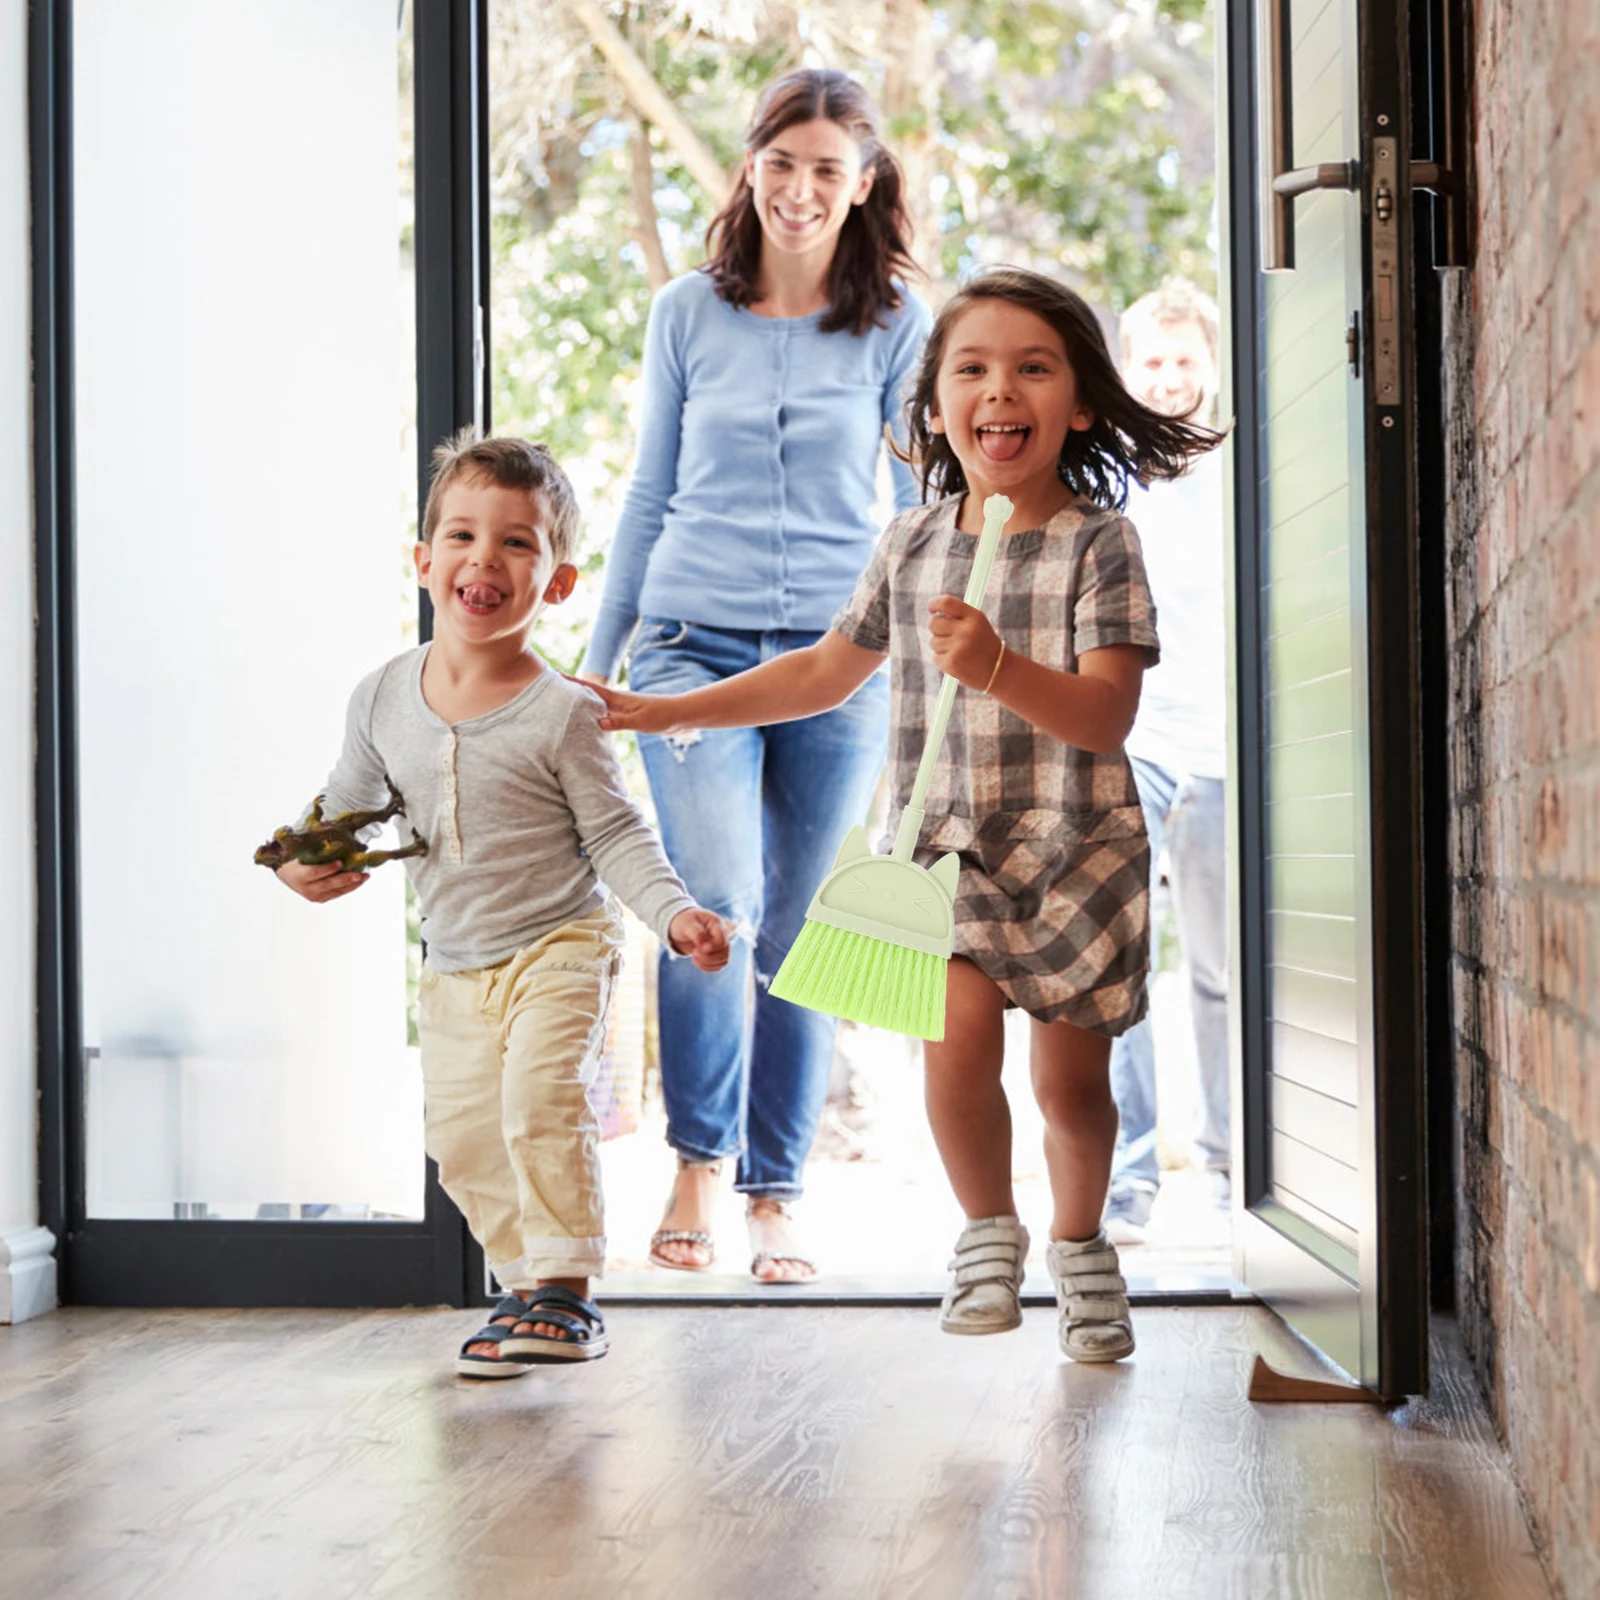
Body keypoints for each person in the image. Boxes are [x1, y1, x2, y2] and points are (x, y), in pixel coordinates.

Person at [591, 267, 1222, 1361]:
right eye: (970, 369)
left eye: (1032, 367)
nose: (999, 390)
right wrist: (666, 704)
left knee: (1070, 1086)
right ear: (933, 407)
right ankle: (987, 1232)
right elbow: (824, 673)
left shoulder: (1100, 543)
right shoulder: (911, 543)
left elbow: (1106, 715)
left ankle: (1080, 1248)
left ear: (1078, 400)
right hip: (952, 853)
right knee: (955, 1042)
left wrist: (997, 665)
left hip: (1079, 848)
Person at [268, 431, 730, 1378]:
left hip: (560, 939)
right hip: (453, 958)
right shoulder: (382, 696)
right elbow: (345, 807)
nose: (486, 558)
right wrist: (297, 861)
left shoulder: (564, 711)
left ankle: (566, 1292)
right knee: (463, 1135)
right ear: (425, 560)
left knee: (538, 1103)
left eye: (518, 543)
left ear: (556, 584)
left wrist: (674, 914)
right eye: (464, 536)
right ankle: (523, 1285)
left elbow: (615, 836)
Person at [578, 67, 931, 1283]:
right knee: (711, 905)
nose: (798, 189)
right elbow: (647, 490)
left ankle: (775, 1191)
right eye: (780, 163)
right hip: (687, 647)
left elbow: (919, 507)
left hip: (840, 661)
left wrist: (927, 657)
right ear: (749, 167)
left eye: (826, 169)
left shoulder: (896, 326)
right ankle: (694, 1163)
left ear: (863, 182)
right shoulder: (688, 310)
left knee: (803, 919)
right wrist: (595, 663)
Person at [1102, 279, 1231, 1245]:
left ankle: (1234, 1166)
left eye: (1187, 359)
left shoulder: (1244, 470)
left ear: (1213, 367)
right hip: (1132, 742)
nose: (1171, 377)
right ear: (1126, 369)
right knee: (1123, 966)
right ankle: (1130, 1179)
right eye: (1153, 360)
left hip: (1226, 747)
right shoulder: (1108, 483)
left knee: (1225, 970)